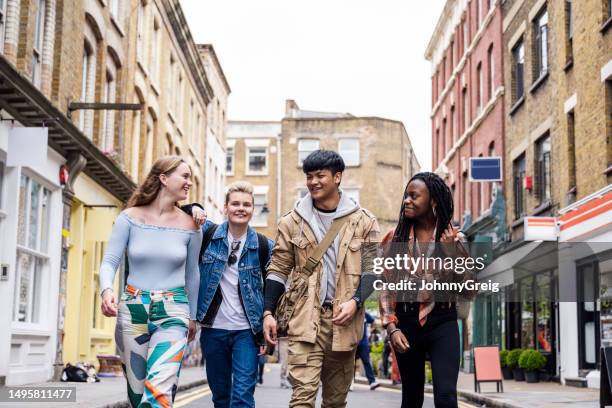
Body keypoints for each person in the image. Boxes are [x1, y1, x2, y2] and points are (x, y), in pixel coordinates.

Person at [262, 150, 380, 408]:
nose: (313, 182)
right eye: (309, 176)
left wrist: (356, 302)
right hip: (305, 320)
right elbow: (278, 269)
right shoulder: (292, 222)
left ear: (337, 177)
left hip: (343, 322)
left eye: (320, 176)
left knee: (335, 402)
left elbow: (374, 270)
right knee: (301, 399)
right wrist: (268, 312)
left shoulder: (364, 221)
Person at [99, 156, 203, 408]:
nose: (190, 182)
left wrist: (193, 317)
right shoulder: (129, 218)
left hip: (173, 310)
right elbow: (110, 260)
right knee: (137, 395)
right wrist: (106, 290)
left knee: (158, 392)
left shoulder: (192, 225)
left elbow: (192, 274)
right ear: (164, 178)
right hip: (132, 309)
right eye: (185, 176)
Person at [378, 172, 477, 408]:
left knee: (446, 397)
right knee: (411, 398)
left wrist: (452, 255)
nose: (407, 201)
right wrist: (392, 328)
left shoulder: (453, 238)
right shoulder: (394, 239)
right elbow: (385, 287)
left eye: (414, 196)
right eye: (406, 196)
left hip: (443, 321)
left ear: (433, 201)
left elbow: (471, 290)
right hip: (406, 321)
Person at [186, 181, 273, 408]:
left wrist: (268, 322)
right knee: (221, 397)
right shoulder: (208, 233)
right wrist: (194, 207)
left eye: (246, 204)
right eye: (235, 203)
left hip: (246, 331)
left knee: (243, 396)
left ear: (253, 209)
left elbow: (275, 287)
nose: (240, 208)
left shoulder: (264, 245)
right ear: (225, 207)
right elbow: (178, 211)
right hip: (213, 330)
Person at [356, 312, 380, 390]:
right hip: (353, 342)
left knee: (366, 361)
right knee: (350, 363)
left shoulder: (365, 314)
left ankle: (372, 382)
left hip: (363, 342)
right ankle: (350, 382)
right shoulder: (351, 312)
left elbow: (373, 322)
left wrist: (372, 331)